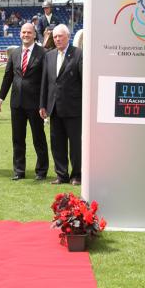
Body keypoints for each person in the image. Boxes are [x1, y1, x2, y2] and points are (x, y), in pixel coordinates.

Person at [0, 23, 49, 181]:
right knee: (18, 139)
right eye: (23, 32)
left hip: (35, 105)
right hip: (16, 104)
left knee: (38, 138)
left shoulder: (43, 54)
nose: (26, 35)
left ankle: (41, 171)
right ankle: (19, 170)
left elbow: (46, 80)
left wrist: (44, 103)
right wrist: (0, 97)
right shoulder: (15, 53)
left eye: (29, 32)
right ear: (20, 34)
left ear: (34, 35)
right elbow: (8, 77)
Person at [39, 24, 83, 186]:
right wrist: (42, 104)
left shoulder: (78, 54)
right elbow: (45, 82)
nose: (57, 39)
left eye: (60, 36)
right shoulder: (49, 56)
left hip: (73, 108)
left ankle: (77, 175)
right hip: (54, 108)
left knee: (76, 145)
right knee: (57, 144)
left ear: (68, 37)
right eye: (55, 37)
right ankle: (61, 175)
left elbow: (84, 82)